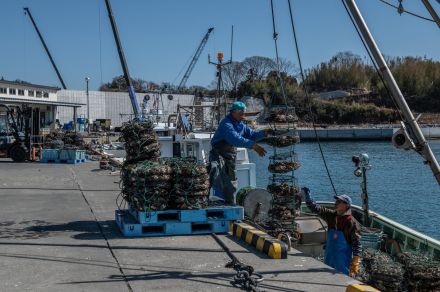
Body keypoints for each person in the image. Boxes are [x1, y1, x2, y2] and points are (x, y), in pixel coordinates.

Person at [209, 101, 271, 205]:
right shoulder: (226, 124)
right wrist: (253, 145)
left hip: (230, 155)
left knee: (232, 180)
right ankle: (215, 202)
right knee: (217, 177)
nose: (244, 115)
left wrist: (264, 133)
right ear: (234, 112)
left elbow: (251, 135)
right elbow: (234, 139)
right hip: (218, 154)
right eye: (242, 113)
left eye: (244, 113)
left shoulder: (240, 125)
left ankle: (230, 204)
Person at [302, 187, 361, 276]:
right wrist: (308, 198)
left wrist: (355, 262)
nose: (336, 203)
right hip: (329, 258)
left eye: (339, 201)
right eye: (336, 201)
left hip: (343, 261)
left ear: (346, 205)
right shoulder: (331, 216)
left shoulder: (352, 223)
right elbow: (315, 208)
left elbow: (356, 243)